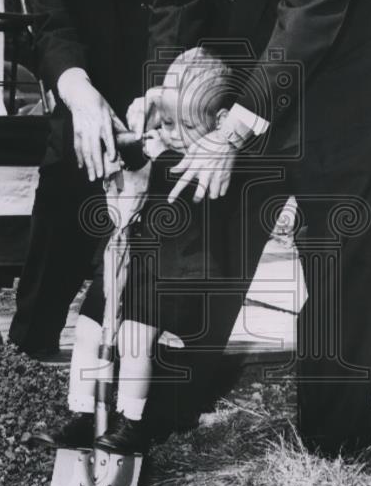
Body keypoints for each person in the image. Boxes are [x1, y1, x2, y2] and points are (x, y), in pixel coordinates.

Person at [144, 0, 371, 457]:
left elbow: (307, 17)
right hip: (249, 95)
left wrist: (234, 126)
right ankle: (167, 408)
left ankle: (333, 437)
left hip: (334, 95)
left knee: (335, 260)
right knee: (210, 240)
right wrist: (168, 86)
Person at [8, 0, 178, 359]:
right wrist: (79, 95)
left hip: (185, 82)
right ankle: (27, 353)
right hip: (99, 88)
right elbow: (54, 28)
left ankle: (132, 349)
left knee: (159, 241)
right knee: (62, 183)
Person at [34, 48, 237, 453]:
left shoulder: (205, 162)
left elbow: (164, 168)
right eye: (168, 121)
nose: (172, 132)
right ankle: (84, 413)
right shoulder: (157, 140)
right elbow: (133, 151)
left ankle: (132, 422)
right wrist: (124, 138)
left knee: (132, 339)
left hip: (165, 272)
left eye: (186, 126)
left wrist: (148, 151)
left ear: (216, 124)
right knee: (89, 329)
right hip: (120, 259)